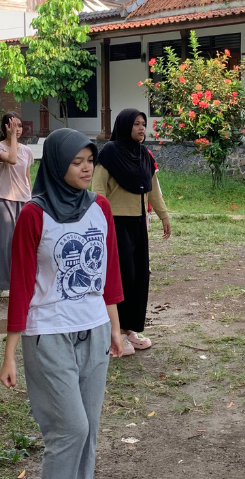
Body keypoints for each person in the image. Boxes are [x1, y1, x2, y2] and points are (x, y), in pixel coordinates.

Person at [0, 129, 124, 479]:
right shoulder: (33, 215)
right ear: (56, 166)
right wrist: (10, 354)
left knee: (90, 431)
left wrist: (115, 328)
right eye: (76, 162)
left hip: (95, 329)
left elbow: (108, 275)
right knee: (70, 430)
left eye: (90, 161)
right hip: (48, 335)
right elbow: (21, 288)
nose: (87, 169)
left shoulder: (100, 207)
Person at [92, 109, 171, 355]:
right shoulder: (110, 153)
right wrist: (102, 222)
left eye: (143, 123)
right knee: (121, 277)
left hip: (138, 223)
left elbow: (152, 189)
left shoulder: (144, 155)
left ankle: (130, 329)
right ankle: (115, 331)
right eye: (136, 123)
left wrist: (163, 215)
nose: (141, 128)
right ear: (125, 125)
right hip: (115, 223)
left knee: (138, 277)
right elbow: (97, 189)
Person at [0, 112, 34, 297]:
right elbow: (12, 159)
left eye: (19, 126)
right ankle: (5, 284)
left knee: (26, 243)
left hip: (24, 200)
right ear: (5, 128)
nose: (17, 129)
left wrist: (31, 199)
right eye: (13, 125)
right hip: (4, 199)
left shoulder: (27, 150)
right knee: (5, 243)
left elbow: (27, 176)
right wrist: (13, 139)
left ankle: (26, 279)